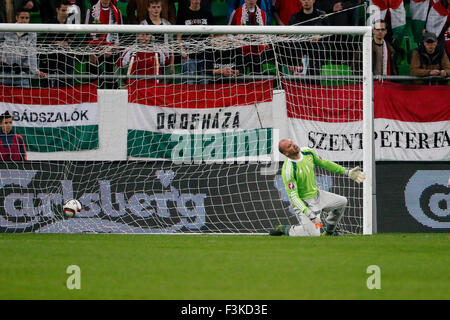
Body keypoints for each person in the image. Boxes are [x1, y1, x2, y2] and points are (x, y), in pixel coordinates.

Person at [269, 139, 365, 237]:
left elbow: (324, 163)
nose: (293, 145)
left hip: (317, 195)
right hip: (305, 203)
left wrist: (346, 172)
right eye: (289, 146)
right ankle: (286, 229)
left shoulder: (307, 152)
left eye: (292, 142)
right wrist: (308, 213)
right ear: (286, 153)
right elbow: (294, 197)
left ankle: (330, 232)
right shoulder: (288, 170)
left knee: (342, 202)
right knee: (313, 235)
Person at [0, 9, 47, 87]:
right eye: (22, 18)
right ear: (17, 18)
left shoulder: (32, 33)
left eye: (27, 18)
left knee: (24, 98)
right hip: (5, 72)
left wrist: (35, 70)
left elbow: (32, 53)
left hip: (22, 73)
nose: (24, 20)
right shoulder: (6, 29)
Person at [85, 0, 123, 89]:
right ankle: (92, 98)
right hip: (95, 50)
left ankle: (112, 97)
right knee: (91, 70)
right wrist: (91, 52)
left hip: (111, 51)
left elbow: (120, 34)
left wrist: (111, 48)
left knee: (110, 72)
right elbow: (87, 34)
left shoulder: (117, 11)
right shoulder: (91, 11)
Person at [40, 0, 77, 87]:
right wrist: (56, 42)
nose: (65, 13)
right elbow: (43, 40)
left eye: (67, 11)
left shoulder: (72, 24)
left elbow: (76, 41)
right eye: (63, 10)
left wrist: (67, 43)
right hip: (51, 60)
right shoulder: (49, 24)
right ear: (57, 10)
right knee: (52, 89)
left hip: (67, 60)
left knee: (67, 87)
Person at [176, 0, 214, 84]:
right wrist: (182, 51)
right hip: (189, 56)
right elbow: (179, 37)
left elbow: (211, 36)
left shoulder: (207, 13)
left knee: (204, 86)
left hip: (204, 55)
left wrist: (209, 52)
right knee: (188, 86)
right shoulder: (183, 14)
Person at [140, 0, 174, 73]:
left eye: (158, 7)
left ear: (161, 8)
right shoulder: (143, 24)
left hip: (165, 62)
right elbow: (140, 46)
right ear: (148, 8)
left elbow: (171, 47)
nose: (156, 9)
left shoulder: (167, 24)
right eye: (153, 7)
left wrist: (172, 64)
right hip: (148, 62)